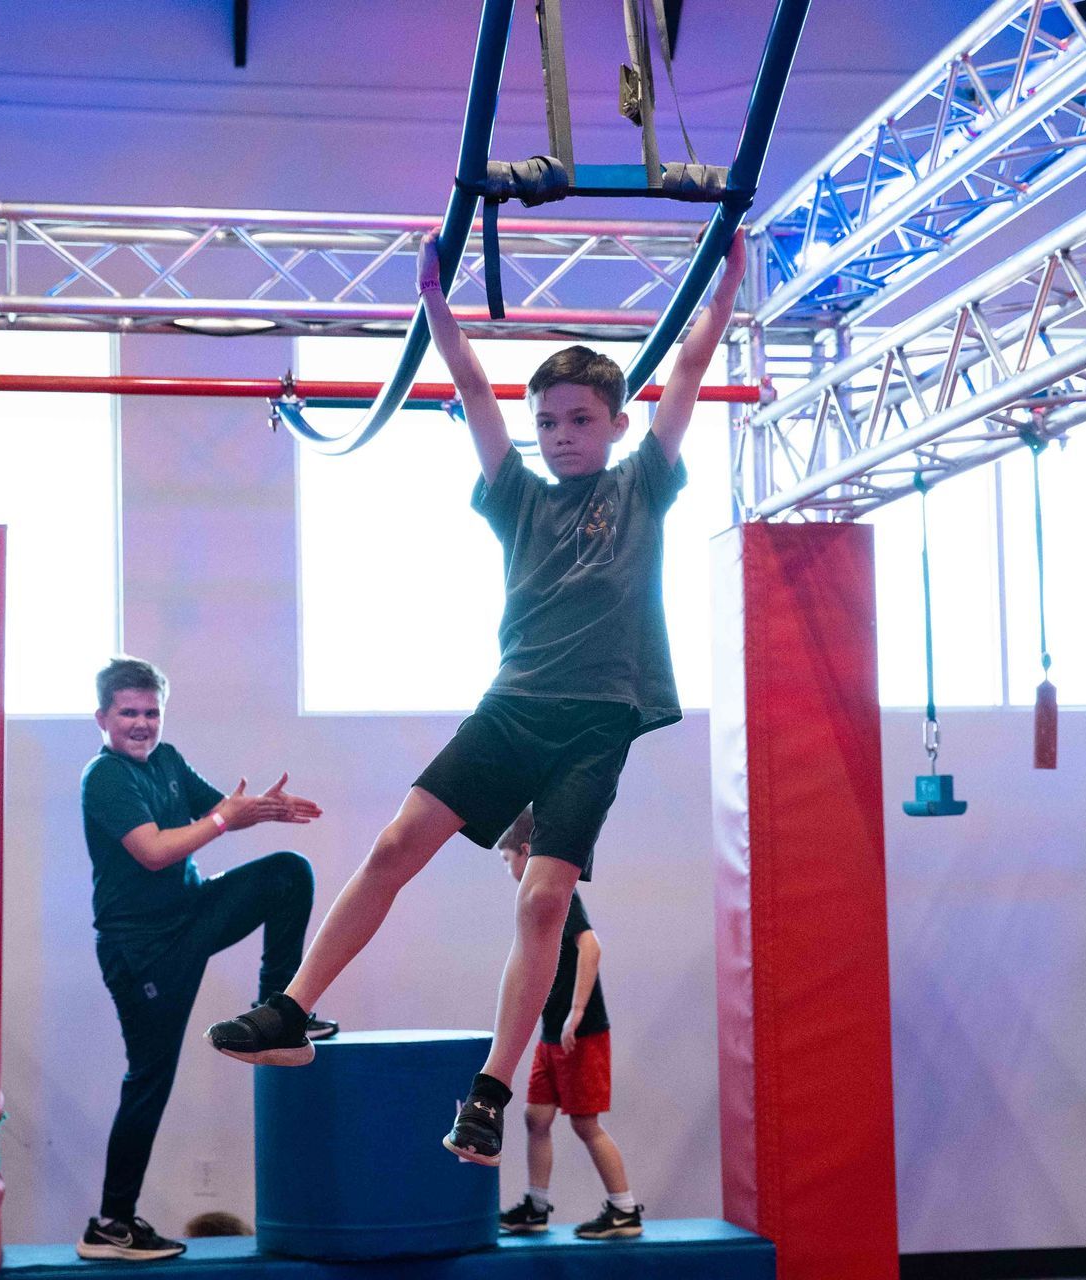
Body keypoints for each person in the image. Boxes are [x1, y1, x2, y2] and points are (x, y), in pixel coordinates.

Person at [205, 229, 747, 1170]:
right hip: (511, 710)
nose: (561, 435)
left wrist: (730, 282)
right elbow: (470, 385)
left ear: (616, 423)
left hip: (594, 729)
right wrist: (436, 302)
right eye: (550, 422)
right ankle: (291, 1008)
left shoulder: (644, 484)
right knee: (392, 846)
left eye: (580, 419)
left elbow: (693, 365)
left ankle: (492, 1093)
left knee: (544, 904)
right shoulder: (516, 495)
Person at [76, 656, 334, 1262]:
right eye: (128, 713)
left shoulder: (166, 761)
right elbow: (156, 852)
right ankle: (112, 1225)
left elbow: (219, 809)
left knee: (287, 874)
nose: (141, 724)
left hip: (190, 914)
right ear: (103, 718)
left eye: (151, 712)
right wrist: (224, 819)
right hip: (141, 950)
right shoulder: (104, 777)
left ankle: (279, 1011)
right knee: (150, 1079)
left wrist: (263, 810)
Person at [493, 809, 642, 1240]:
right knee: (536, 1117)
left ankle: (624, 1209)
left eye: (507, 860)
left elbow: (590, 946)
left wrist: (577, 1012)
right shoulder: (533, 902)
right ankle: (536, 1207)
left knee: (584, 1123)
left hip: (579, 1032)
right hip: (551, 1031)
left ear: (526, 851)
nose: (508, 870)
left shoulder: (557, 893)